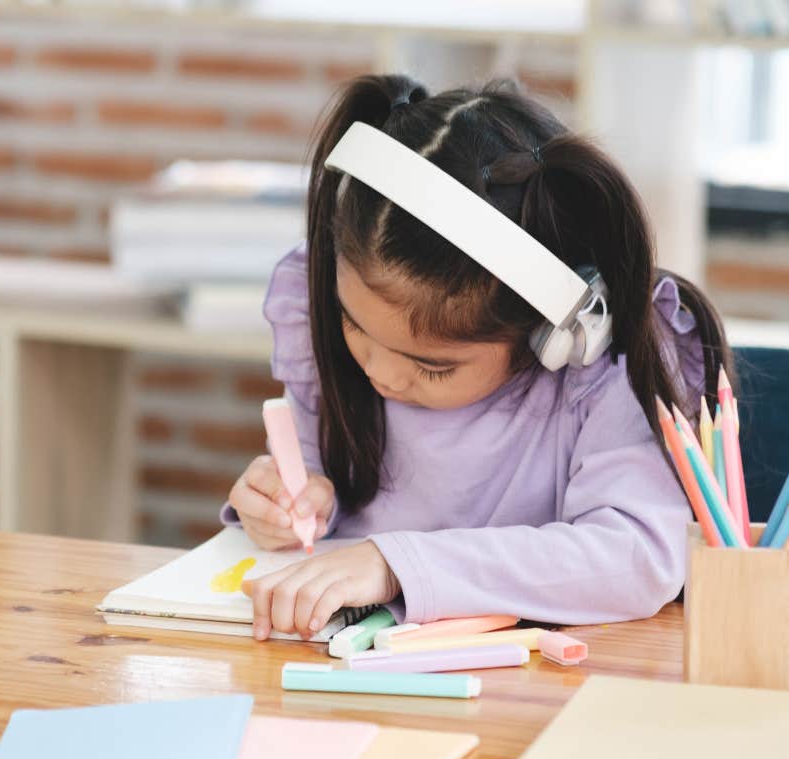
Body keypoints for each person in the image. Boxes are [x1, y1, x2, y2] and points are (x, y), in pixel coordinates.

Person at [222, 74, 733, 641]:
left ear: (548, 336)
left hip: (533, 693)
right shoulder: (316, 306)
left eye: (433, 366)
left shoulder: (600, 367)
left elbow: (638, 555)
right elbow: (314, 487)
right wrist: (288, 507)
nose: (380, 372)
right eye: (354, 325)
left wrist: (394, 565)